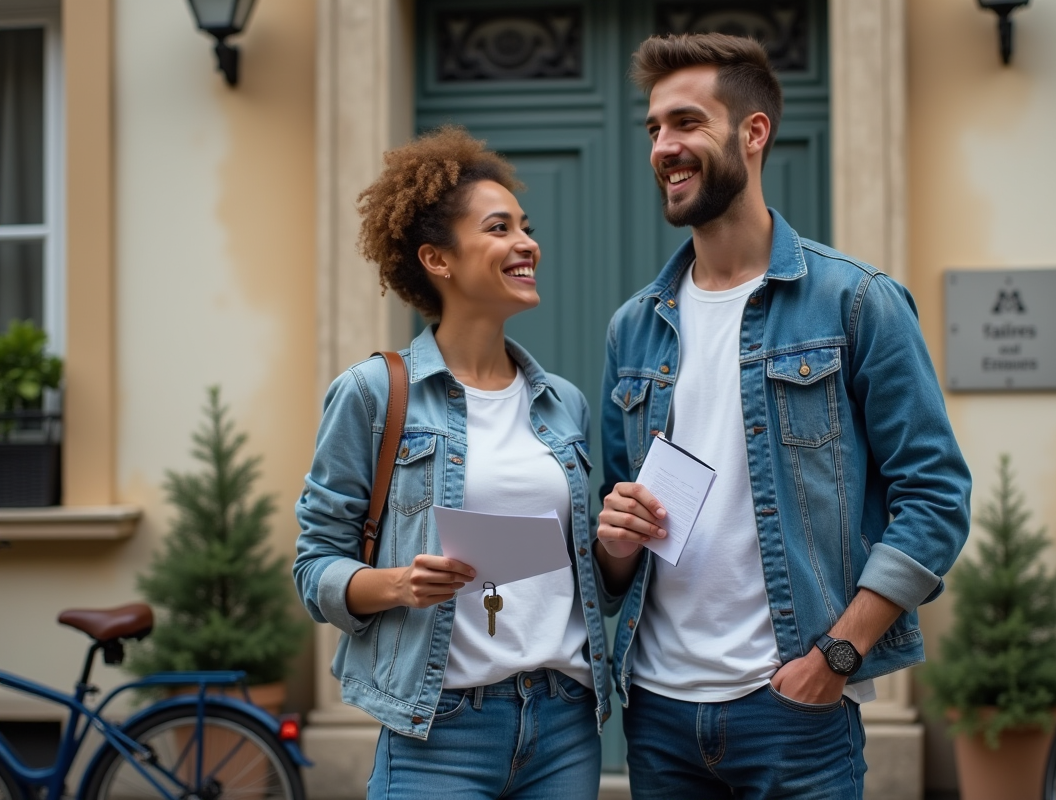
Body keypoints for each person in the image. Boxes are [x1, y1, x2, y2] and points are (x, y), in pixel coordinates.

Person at [595, 33, 972, 799]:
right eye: (654, 129)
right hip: (659, 712)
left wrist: (836, 657)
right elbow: (611, 552)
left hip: (794, 711)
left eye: (687, 123)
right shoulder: (633, 328)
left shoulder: (856, 301)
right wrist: (615, 538)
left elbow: (935, 500)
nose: (664, 147)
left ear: (753, 132)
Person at [294, 126, 609, 799]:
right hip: (438, 728)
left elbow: (593, 579)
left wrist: (618, 542)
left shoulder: (564, 406)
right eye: (500, 228)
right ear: (437, 259)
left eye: (525, 226)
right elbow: (314, 566)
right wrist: (401, 583)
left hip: (564, 723)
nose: (528, 244)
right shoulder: (375, 395)